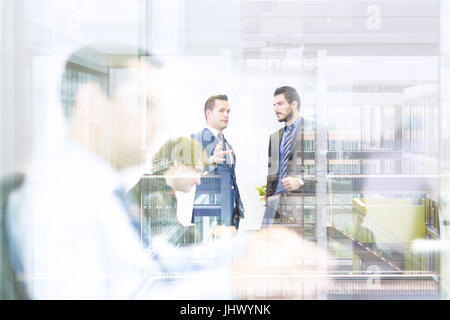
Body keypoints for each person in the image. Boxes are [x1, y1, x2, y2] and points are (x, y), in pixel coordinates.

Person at [128, 136, 207, 247]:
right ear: (178, 162)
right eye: (196, 171)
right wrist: (212, 234)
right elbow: (171, 242)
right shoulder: (153, 193)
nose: (198, 181)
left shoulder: (163, 192)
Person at [191, 95, 245, 230]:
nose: (226, 115)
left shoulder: (228, 145)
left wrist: (238, 205)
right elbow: (190, 174)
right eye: (221, 111)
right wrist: (210, 162)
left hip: (231, 216)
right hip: (209, 217)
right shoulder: (196, 139)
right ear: (208, 113)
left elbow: (231, 179)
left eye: (228, 111)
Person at [263, 86, 307, 226]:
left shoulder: (313, 131)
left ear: (294, 104)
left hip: (299, 205)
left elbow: (326, 173)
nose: (275, 109)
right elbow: (272, 173)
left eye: (280, 104)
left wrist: (301, 182)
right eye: (274, 105)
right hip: (274, 204)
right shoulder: (274, 137)